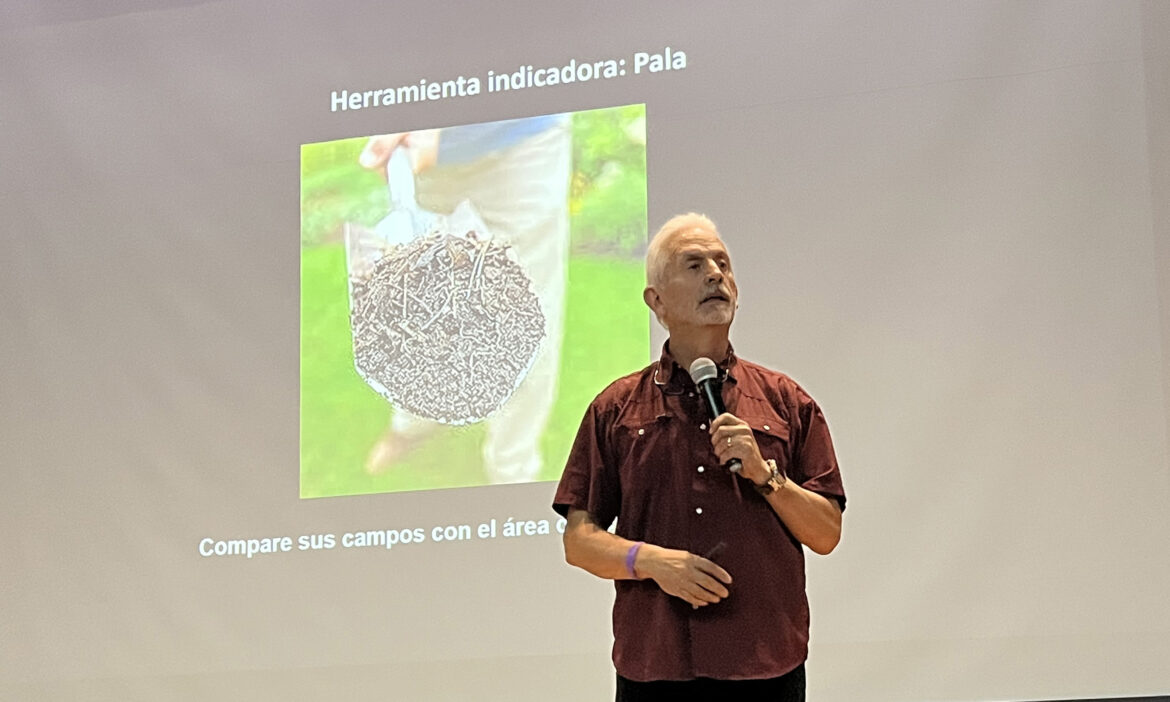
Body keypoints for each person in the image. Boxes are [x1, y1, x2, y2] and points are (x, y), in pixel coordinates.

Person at [553, 213, 846, 701]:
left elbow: (826, 533)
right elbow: (579, 541)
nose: (715, 274)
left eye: (723, 264)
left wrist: (765, 475)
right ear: (656, 301)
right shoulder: (616, 408)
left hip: (765, 666)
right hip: (657, 665)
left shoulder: (785, 401)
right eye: (694, 265)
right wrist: (650, 561)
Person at [358, 115, 571, 484]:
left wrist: (442, 114)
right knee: (420, 305)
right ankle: (414, 423)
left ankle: (512, 470)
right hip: (423, 161)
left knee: (523, 321)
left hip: (519, 147)